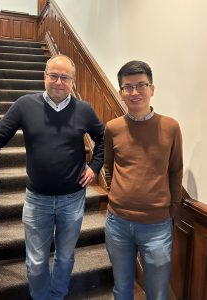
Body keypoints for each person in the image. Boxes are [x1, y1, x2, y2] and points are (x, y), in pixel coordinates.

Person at [0, 54, 104, 300]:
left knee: (66, 257)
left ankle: (58, 296)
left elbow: (104, 140)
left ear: (72, 81)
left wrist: (95, 166)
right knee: (35, 261)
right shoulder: (25, 105)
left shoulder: (84, 110)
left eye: (64, 77)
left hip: (72, 200)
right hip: (37, 200)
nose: (58, 81)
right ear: (44, 77)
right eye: (53, 75)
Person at [104, 60, 183, 300]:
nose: (135, 92)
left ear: (152, 89)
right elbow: (109, 167)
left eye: (141, 85)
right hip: (117, 223)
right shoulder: (112, 128)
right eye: (128, 87)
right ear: (121, 92)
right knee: (121, 287)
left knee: (158, 293)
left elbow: (175, 170)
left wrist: (170, 209)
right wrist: (117, 194)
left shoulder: (170, 127)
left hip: (157, 225)